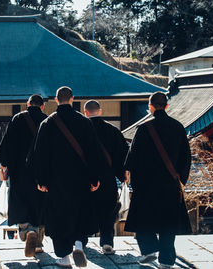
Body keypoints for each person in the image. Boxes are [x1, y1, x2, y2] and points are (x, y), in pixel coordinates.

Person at [33, 86, 108, 268]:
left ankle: (64, 257)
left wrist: (41, 181)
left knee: (59, 217)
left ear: (56, 100)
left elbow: (40, 155)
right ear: (72, 99)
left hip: (56, 181)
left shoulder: (48, 124)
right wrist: (94, 178)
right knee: (80, 212)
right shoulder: (85, 122)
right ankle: (79, 245)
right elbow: (94, 153)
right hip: (80, 179)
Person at [124, 91, 192, 269]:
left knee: (143, 220)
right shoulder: (178, 127)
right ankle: (167, 260)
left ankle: (149, 249)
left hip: (147, 185)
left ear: (150, 107)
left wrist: (135, 182)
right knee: (168, 224)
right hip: (170, 185)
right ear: (167, 106)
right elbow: (186, 158)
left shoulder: (144, 129)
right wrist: (180, 179)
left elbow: (132, 159)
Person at [0, 94, 48, 257]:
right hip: (40, 172)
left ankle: (25, 230)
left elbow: (8, 143)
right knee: (40, 204)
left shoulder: (18, 119)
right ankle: (38, 242)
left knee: (21, 201)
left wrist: (3, 164)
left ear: (27, 104)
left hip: (19, 171)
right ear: (43, 106)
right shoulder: (47, 120)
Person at [84, 100, 129, 255]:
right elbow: (123, 154)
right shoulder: (112, 130)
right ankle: (107, 242)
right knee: (108, 211)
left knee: (85, 209)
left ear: (85, 112)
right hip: (107, 179)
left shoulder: (80, 130)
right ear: (100, 111)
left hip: (85, 179)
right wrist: (122, 173)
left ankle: (82, 240)